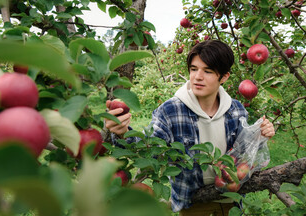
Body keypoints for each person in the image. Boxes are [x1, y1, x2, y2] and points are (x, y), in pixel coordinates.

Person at [105, 40, 275, 216]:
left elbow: (243, 156)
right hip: (193, 202)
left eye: (207, 71)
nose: (197, 77)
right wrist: (124, 133)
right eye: (194, 69)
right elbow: (150, 148)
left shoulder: (236, 110)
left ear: (224, 77)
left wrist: (259, 136)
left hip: (231, 199)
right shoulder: (171, 111)